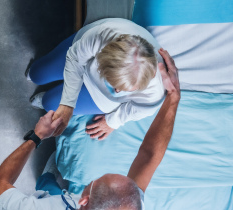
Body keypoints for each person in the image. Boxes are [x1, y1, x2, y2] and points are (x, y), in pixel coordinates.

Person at [0, 49, 180, 210]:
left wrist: (36, 137)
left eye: (97, 181)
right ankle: (46, 177)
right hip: (61, 209)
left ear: (84, 200)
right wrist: (173, 97)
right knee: (49, 188)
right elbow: (148, 156)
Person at [27, 18, 165, 140]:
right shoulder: (103, 35)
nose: (117, 91)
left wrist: (112, 123)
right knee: (36, 74)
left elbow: (139, 109)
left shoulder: (156, 91)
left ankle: (48, 98)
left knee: (48, 104)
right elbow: (75, 60)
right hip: (83, 61)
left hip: (101, 97)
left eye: (124, 89)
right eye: (114, 84)